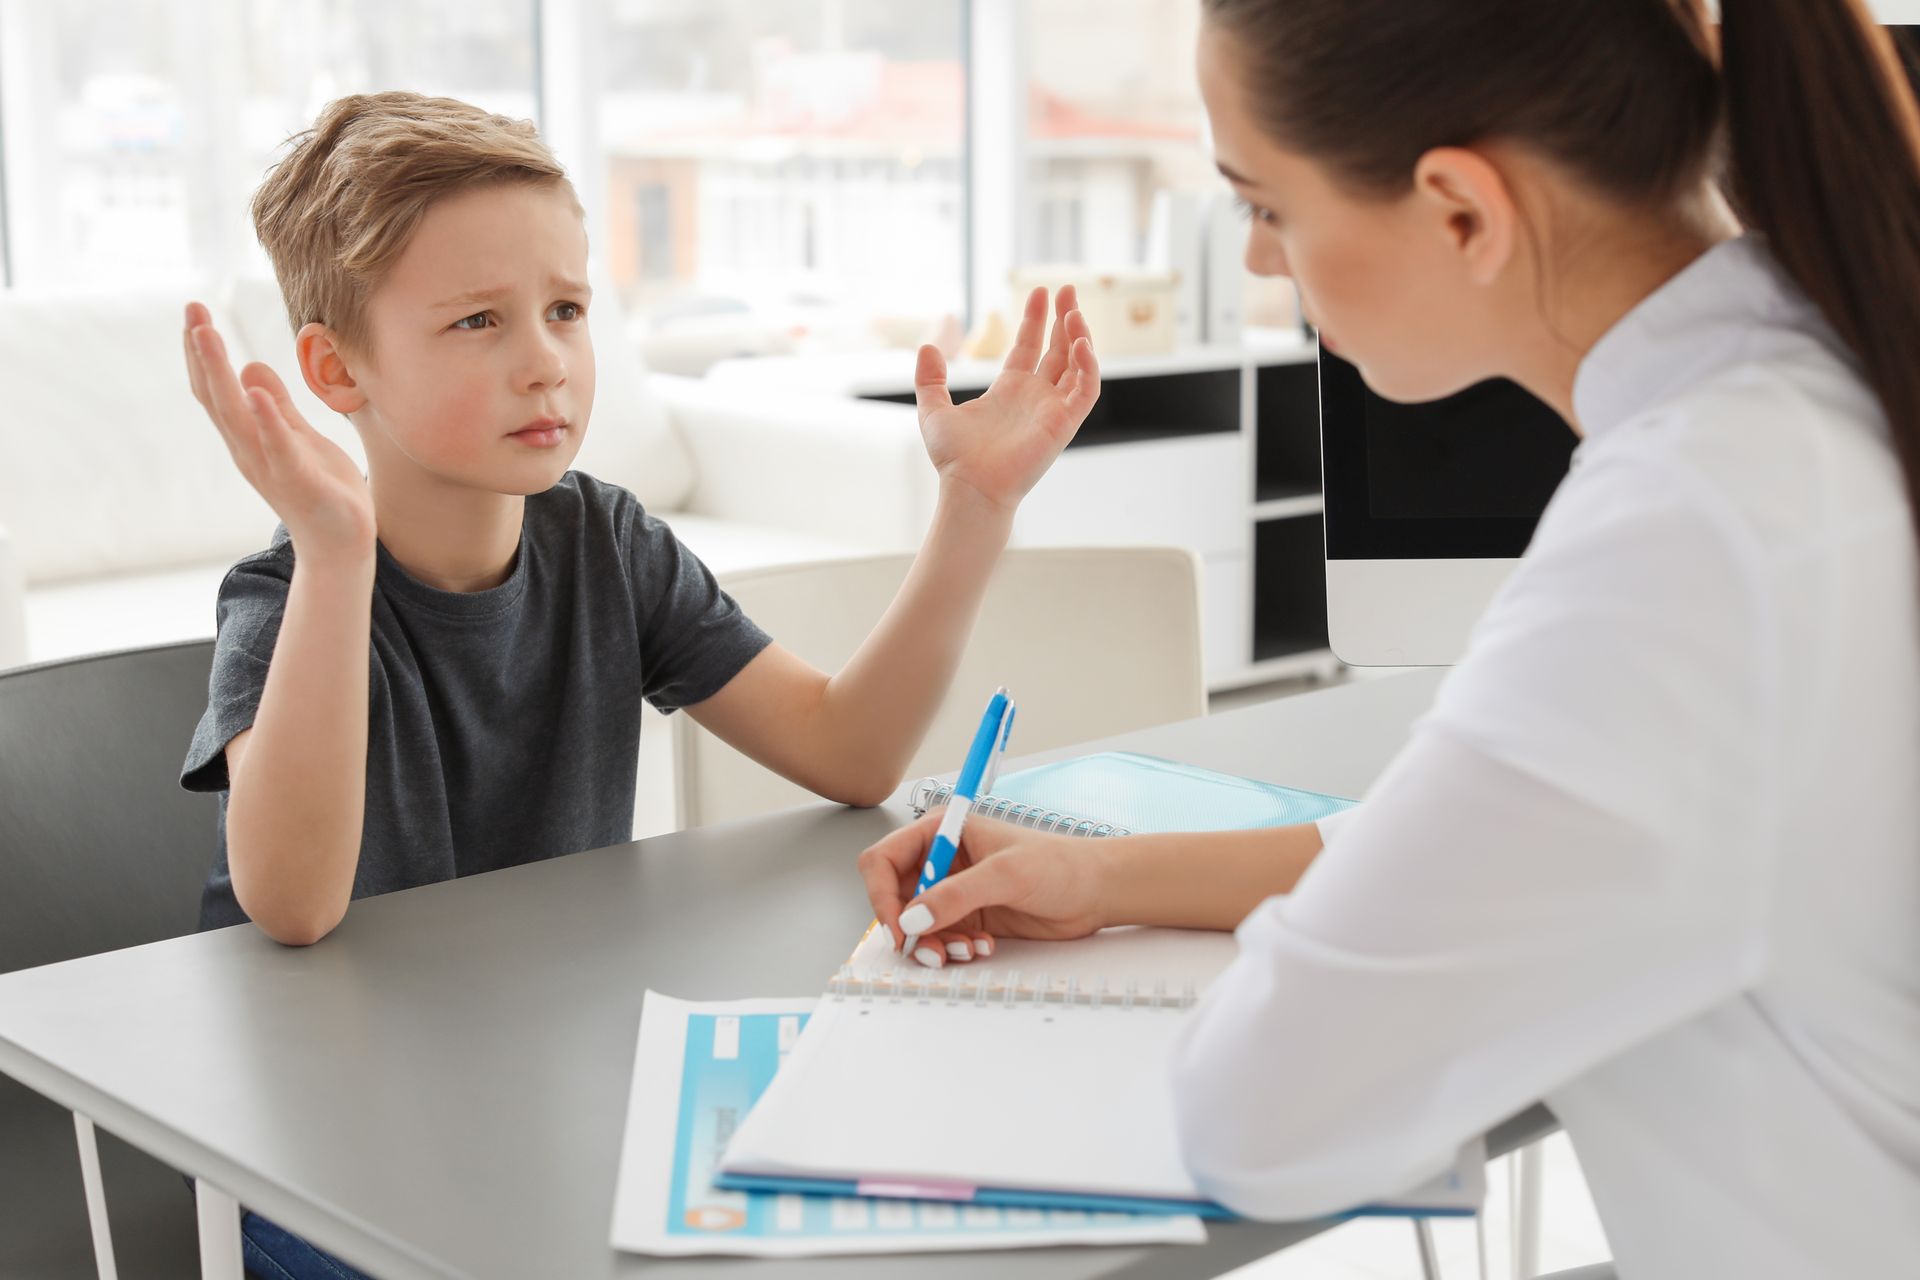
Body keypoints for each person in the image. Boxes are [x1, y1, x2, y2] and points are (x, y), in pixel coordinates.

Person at [858, 2, 1920, 1274]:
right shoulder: (1809, 400)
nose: (1259, 263)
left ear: (1461, 211)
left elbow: (1259, 1115)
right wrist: (1098, 876)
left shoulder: (1686, 546)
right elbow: (1484, 847)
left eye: (1266, 205)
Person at [178, 91, 1096, 1277]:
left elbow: (851, 750)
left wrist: (974, 506)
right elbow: (294, 905)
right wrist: (335, 548)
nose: (544, 361)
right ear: (333, 367)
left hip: (540, 1095)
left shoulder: (606, 544)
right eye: (477, 322)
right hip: (319, 1156)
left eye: (565, 309)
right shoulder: (282, 601)